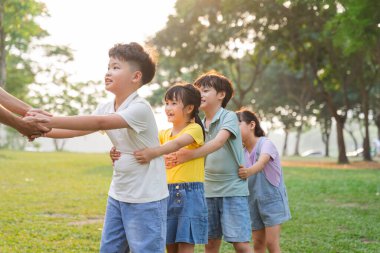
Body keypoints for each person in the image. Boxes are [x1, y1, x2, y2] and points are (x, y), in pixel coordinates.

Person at [29, 42, 169, 253]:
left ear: (136, 77)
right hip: (118, 194)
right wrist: (38, 129)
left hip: (146, 198)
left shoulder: (140, 108)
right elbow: (77, 130)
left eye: (116, 67)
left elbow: (99, 123)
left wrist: (48, 120)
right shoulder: (106, 106)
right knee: (109, 249)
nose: (108, 72)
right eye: (108, 67)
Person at [167, 71, 252, 253]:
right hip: (206, 191)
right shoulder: (198, 124)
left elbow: (218, 142)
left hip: (232, 189)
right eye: (198, 91)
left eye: (205, 90)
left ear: (221, 95)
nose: (200, 95)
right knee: (211, 244)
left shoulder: (229, 117)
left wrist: (190, 155)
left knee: (241, 244)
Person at [133, 83, 208, 253]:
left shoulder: (195, 129)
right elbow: (141, 141)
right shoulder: (163, 134)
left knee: (185, 244)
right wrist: (119, 149)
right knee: (169, 245)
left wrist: (155, 152)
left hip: (190, 195)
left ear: (189, 108)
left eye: (174, 103)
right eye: (166, 103)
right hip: (165, 193)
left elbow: (177, 144)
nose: (168, 108)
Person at [236, 109, 291, 253]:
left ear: (251, 125)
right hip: (252, 202)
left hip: (271, 201)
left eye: (238, 124)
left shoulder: (266, 144)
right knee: (258, 243)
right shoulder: (241, 153)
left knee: (271, 243)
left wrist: (247, 172)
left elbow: (261, 163)